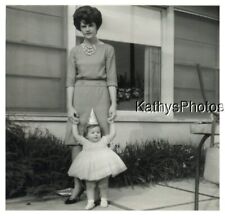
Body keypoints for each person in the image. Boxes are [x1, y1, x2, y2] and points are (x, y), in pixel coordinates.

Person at [64, 5, 117, 204]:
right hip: (80, 94)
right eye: (83, 25)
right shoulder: (74, 51)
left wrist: (114, 105)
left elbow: (112, 79)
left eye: (91, 25)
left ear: (97, 26)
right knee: (76, 142)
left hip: (102, 94)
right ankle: (78, 186)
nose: (87, 29)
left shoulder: (108, 49)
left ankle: (101, 190)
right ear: (79, 27)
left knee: (102, 139)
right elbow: (70, 81)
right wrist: (70, 106)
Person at [68, 109, 127, 210]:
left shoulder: (103, 140)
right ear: (86, 135)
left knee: (103, 184)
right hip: (89, 168)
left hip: (103, 166)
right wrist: (74, 124)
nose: (96, 134)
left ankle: (104, 199)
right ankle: (90, 201)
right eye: (92, 133)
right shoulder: (85, 142)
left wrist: (111, 123)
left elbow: (113, 134)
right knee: (89, 184)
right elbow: (76, 135)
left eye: (98, 132)